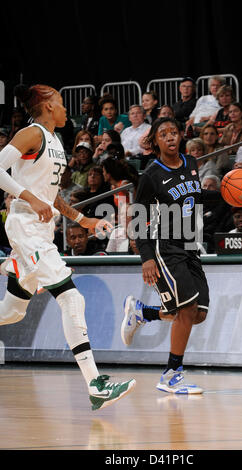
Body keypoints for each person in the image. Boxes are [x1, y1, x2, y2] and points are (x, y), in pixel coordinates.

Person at [0, 83, 135, 410]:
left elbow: (50, 193)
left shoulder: (56, 140)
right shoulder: (31, 134)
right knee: (71, 297)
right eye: (60, 103)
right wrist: (30, 198)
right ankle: (96, 384)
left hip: (42, 231)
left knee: (13, 312)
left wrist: (82, 219)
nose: (64, 109)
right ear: (46, 107)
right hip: (25, 225)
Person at [121, 117, 222, 394]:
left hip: (190, 244)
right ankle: (171, 374)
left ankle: (143, 313)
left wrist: (226, 195)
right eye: (163, 134)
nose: (170, 137)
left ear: (180, 136)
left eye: (173, 132)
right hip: (165, 246)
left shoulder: (191, 163)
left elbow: (196, 199)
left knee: (198, 313)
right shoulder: (151, 175)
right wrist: (146, 257)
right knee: (186, 310)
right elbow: (138, 219)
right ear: (155, 141)